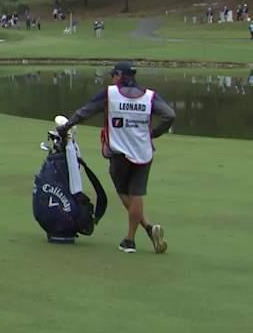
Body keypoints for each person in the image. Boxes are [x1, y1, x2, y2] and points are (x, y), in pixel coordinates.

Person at [56, 61, 176, 254]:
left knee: (123, 191)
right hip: (143, 152)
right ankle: (140, 234)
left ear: (120, 75)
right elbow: (169, 115)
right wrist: (154, 133)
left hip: (119, 152)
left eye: (114, 74)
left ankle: (137, 235)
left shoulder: (110, 93)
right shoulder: (149, 96)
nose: (112, 77)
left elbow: (85, 112)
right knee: (137, 194)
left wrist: (66, 126)